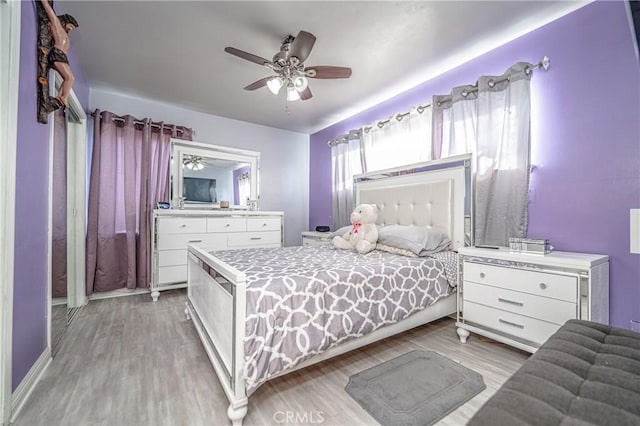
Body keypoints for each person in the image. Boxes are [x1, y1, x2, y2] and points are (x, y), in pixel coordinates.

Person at [40, 0, 79, 110]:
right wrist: (44, 2)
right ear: (66, 22)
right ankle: (63, 97)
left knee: (68, 78)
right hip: (57, 54)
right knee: (70, 78)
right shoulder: (56, 24)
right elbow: (49, 11)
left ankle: (60, 96)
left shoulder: (64, 32)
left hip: (62, 57)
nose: (70, 29)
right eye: (70, 26)